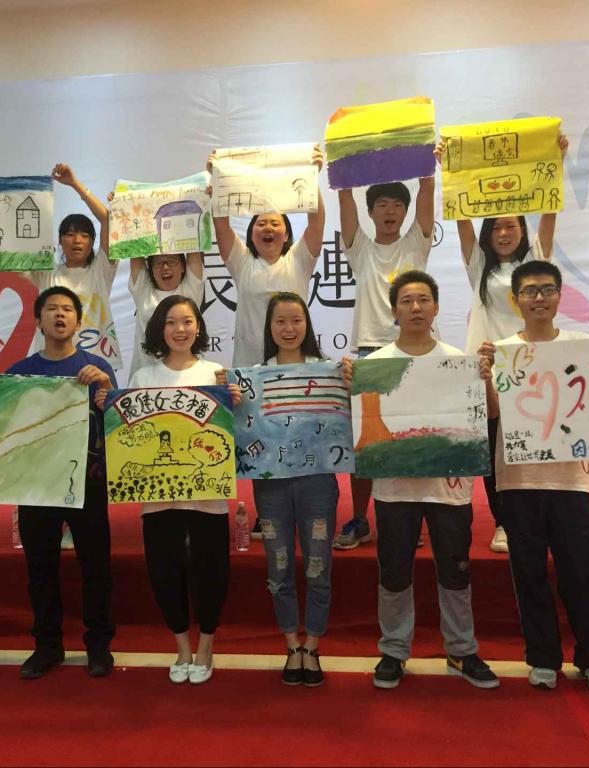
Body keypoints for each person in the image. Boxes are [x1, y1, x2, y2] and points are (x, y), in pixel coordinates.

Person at [479, 260, 589, 694]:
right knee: (528, 574)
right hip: (518, 481)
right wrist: (484, 378)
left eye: (547, 289)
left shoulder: (583, 347)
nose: (539, 298)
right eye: (529, 291)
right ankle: (542, 658)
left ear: (559, 295)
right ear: (515, 300)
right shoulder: (500, 351)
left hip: (571, 480)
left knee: (580, 574)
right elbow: (494, 414)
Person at [341, 270, 499, 691]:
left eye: (424, 299)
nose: (415, 307)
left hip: (450, 491)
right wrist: (349, 385)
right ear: (394, 310)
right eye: (407, 300)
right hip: (394, 491)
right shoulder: (374, 366)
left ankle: (461, 650)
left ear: (436, 307)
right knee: (394, 572)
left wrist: (485, 381)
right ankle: (394, 651)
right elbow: (358, 429)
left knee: (456, 571)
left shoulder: (459, 361)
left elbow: (489, 416)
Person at [434, 134, 568, 554]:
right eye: (496, 227)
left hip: (534, 366)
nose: (504, 232)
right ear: (488, 234)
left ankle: (541, 517)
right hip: (490, 371)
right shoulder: (480, 267)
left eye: (511, 225)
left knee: (537, 442)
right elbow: (461, 217)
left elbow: (550, 210)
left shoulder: (534, 263)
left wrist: (556, 161)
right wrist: (448, 169)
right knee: (494, 449)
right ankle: (503, 521)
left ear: (522, 230)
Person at [97, 295, 241, 685]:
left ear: (199, 327)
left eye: (188, 321)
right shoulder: (144, 378)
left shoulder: (216, 374)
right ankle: (182, 648)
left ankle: (206, 646)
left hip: (208, 496)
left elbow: (232, 433)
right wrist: (109, 406)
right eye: (172, 322)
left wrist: (235, 404)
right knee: (164, 572)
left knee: (212, 572)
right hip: (157, 500)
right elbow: (128, 434)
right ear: (159, 328)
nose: (180, 329)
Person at [0, 285, 118, 680]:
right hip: (36, 482)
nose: (60, 315)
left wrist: (106, 392)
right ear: (38, 321)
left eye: (67, 310)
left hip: (87, 481)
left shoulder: (97, 368)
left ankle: (98, 645)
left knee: (95, 565)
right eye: (52, 309)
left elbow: (117, 426)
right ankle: (47, 645)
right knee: (40, 567)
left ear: (78, 321)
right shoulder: (18, 373)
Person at [209, 144, 326, 537]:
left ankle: (303, 508)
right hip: (252, 369)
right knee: (259, 442)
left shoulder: (299, 260)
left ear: (286, 232)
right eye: (261, 223)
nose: (269, 229)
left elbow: (317, 221)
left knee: (297, 435)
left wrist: (313, 178)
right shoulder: (242, 262)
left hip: (294, 368)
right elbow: (220, 225)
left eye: (276, 223)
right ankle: (268, 513)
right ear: (252, 233)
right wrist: (218, 181)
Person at [334, 175, 435, 551]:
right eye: (382, 205)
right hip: (369, 354)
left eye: (397, 205)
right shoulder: (360, 248)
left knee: (412, 438)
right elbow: (345, 201)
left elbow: (427, 194)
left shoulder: (415, 244)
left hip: (413, 351)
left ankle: (411, 518)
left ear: (406, 212)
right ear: (371, 212)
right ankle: (361, 518)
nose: (390, 211)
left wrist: (427, 175)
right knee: (366, 445)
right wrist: (342, 177)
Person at [252, 293, 340, 686]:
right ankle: (291, 645)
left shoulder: (328, 371)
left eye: (296, 320)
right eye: (280, 321)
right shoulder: (255, 376)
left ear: (307, 324)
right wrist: (230, 396)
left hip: (318, 483)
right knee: (279, 566)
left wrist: (351, 380)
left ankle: (313, 646)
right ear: (269, 328)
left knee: (318, 566)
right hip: (271, 486)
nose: (289, 329)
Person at [27, 164, 122, 372]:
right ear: (60, 241)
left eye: (84, 235)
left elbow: (107, 220)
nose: (77, 240)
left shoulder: (101, 270)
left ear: (93, 242)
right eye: (70, 235)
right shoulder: (48, 273)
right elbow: (9, 254)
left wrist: (74, 184)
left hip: (95, 363)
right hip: (50, 363)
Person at [127, 250, 204, 380]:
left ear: (183, 266)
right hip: (145, 378)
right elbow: (134, 246)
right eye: (158, 263)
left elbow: (193, 248)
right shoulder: (143, 291)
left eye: (172, 261)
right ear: (151, 270)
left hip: (185, 376)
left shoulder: (191, 289)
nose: (165, 267)